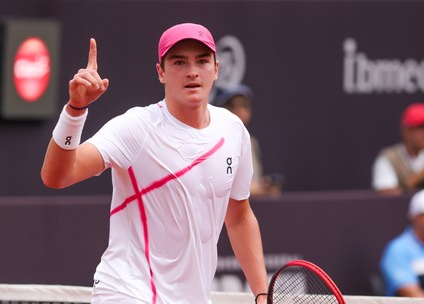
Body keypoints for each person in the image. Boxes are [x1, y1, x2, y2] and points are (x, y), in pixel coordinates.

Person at [40, 23, 268, 303]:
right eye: (179, 62)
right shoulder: (136, 128)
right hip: (128, 292)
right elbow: (56, 176)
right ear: (161, 72)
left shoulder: (233, 131)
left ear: (216, 69)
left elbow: (239, 217)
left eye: (202, 61)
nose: (192, 71)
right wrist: (75, 110)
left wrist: (261, 294)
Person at [212, 84, 284, 197]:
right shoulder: (213, 142)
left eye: (244, 105)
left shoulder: (250, 141)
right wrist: (255, 189)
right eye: (232, 105)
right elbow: (219, 189)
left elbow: (252, 183)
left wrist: (264, 187)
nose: (239, 110)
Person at [372, 103, 424, 195]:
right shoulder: (388, 158)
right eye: (422, 128)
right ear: (406, 130)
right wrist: (420, 177)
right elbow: (386, 197)